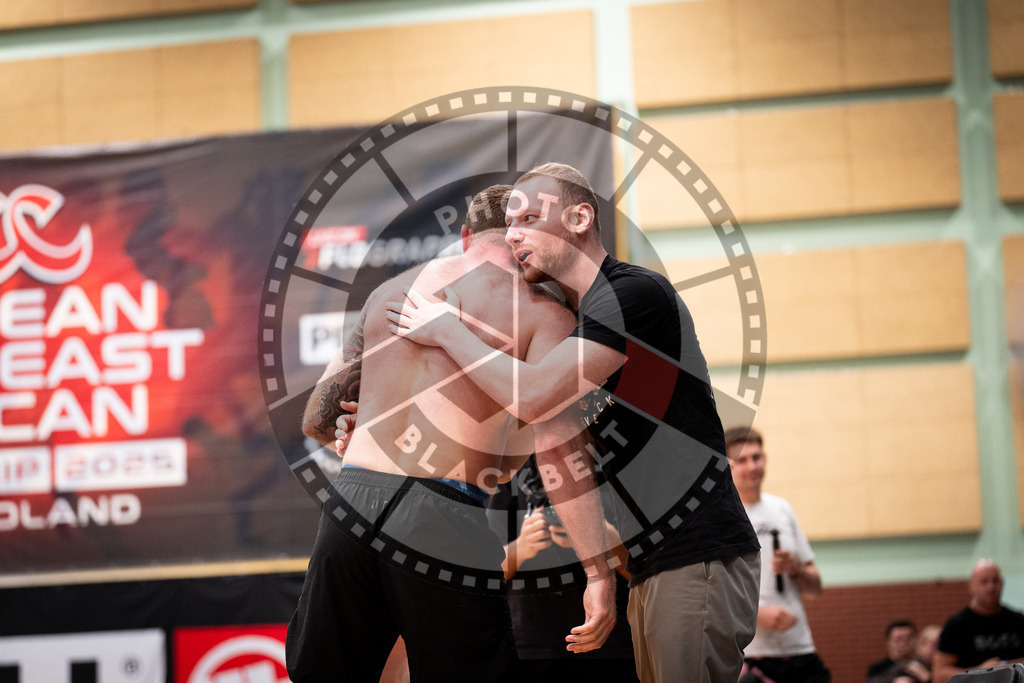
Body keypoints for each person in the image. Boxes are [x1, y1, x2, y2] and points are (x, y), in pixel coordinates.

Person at [386, 162, 760, 682]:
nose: (514, 233)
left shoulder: (632, 296)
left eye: (530, 218)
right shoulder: (573, 317)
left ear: (580, 217)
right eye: (510, 224)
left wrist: (449, 330)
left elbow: (535, 395)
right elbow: (554, 440)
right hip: (648, 560)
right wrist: (598, 574)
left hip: (696, 549)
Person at [286, 185, 616, 682]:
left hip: (351, 500)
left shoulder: (389, 293)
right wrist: (597, 570)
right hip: (439, 509)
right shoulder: (544, 313)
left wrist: (356, 425)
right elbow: (555, 444)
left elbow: (316, 417)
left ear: (465, 237)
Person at [486, 455, 640, 683]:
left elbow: (645, 570)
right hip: (533, 646)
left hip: (613, 642)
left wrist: (601, 538)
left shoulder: (610, 462)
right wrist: (522, 546)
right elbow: (487, 572)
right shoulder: (512, 470)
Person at [725, 426, 830, 683]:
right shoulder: (721, 518)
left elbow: (815, 588)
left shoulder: (782, 509)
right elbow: (712, 594)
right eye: (742, 460)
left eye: (757, 457)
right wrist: (759, 616)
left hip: (799, 648)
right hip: (750, 654)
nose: (752, 466)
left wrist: (796, 569)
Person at [934, 559, 1024, 683]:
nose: (991, 587)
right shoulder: (957, 625)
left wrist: (1006, 666)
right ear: (971, 585)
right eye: (984, 582)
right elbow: (939, 675)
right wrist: (982, 672)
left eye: (995, 581)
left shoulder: (1018, 620)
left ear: (1002, 583)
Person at [866, 620, 933, 683]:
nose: (903, 643)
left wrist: (927, 678)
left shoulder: (926, 664)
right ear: (888, 642)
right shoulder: (878, 668)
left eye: (908, 638)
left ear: (916, 640)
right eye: (898, 639)